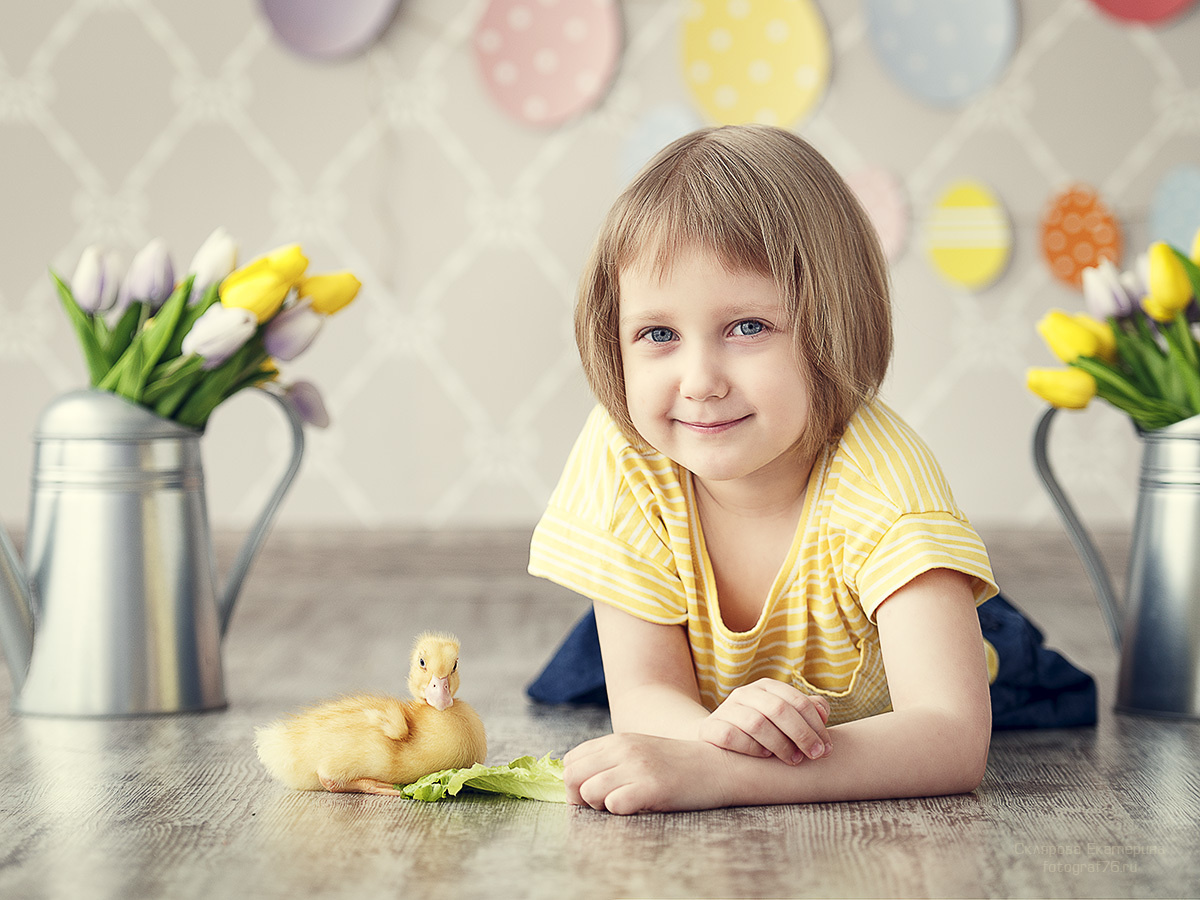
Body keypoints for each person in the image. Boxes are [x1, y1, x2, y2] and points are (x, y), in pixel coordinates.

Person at [527, 124, 1090, 815]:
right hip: (700, 665)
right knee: (579, 677)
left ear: (834, 324)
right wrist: (712, 731)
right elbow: (642, 697)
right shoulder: (627, 454)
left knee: (1026, 689)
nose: (698, 381)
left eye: (748, 327)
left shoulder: (886, 487)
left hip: (893, 659)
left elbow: (950, 736)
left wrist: (721, 772)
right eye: (659, 334)